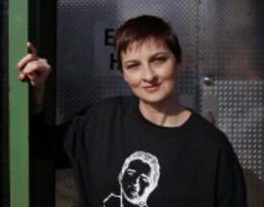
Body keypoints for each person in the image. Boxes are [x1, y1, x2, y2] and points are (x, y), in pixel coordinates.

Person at [17, 15, 247, 207]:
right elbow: (39, 145)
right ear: (124, 75)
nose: (148, 76)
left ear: (178, 62)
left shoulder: (211, 146)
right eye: (133, 66)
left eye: (158, 60)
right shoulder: (100, 122)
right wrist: (36, 93)